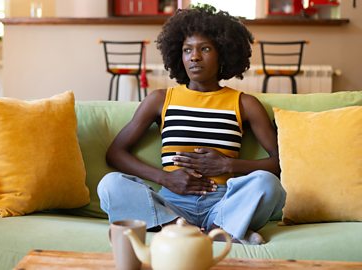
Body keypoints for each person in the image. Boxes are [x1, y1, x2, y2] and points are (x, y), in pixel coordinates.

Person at [97, 5, 286, 245]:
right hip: (172, 203)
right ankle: (212, 233)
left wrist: (228, 164)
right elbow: (115, 153)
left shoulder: (245, 104)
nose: (194, 56)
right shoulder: (160, 99)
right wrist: (165, 179)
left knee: (268, 184)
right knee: (110, 184)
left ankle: (216, 228)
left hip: (223, 202)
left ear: (223, 54)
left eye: (205, 49)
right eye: (187, 50)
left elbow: (280, 161)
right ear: (179, 55)